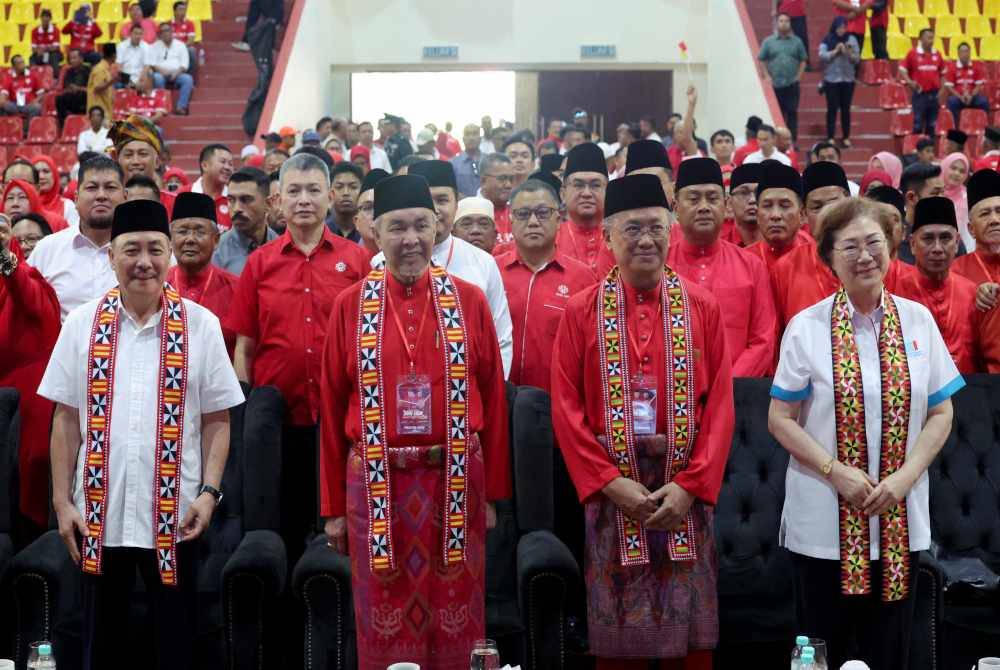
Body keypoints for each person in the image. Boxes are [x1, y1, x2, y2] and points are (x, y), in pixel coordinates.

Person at [39, 198, 243, 669]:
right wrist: (62, 502)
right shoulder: (81, 325)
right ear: (111, 256)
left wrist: (210, 493)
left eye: (155, 249)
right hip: (97, 514)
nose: (144, 262)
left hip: (177, 515)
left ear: (170, 254)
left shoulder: (201, 326)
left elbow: (217, 419)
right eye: (131, 250)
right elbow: (65, 418)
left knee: (175, 643)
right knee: (101, 642)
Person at [318, 174, 509, 670]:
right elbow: (333, 404)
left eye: (421, 226)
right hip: (375, 488)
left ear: (438, 229)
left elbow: (492, 394)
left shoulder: (469, 300)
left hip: (457, 482)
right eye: (397, 227)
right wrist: (333, 508)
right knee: (381, 608)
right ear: (375, 233)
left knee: (456, 612)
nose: (410, 239)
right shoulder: (350, 305)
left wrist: (494, 496)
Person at [768, 196, 962, 670]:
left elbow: (942, 412)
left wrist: (904, 477)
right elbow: (779, 419)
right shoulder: (805, 327)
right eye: (849, 246)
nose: (864, 256)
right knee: (816, 651)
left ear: (893, 247)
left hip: (901, 516)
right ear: (830, 258)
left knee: (890, 651)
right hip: (822, 522)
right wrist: (837, 473)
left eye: (874, 242)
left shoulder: (918, 321)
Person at [551, 172, 735, 668]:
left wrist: (690, 486)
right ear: (608, 237)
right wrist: (610, 483)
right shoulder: (579, 311)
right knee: (617, 644)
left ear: (671, 232)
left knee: (689, 642)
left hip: (685, 492)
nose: (646, 239)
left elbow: (719, 406)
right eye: (632, 229)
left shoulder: (703, 307)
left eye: (656, 227)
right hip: (613, 494)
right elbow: (566, 409)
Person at [226, 153, 371, 565]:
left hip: (339, 422)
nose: (303, 199)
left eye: (312, 191)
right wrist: (246, 409)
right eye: (293, 191)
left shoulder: (357, 261)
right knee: (281, 527)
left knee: (339, 532)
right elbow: (246, 347)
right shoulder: (260, 264)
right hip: (277, 424)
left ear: (329, 196)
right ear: (278, 200)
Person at [371, 160, 514, 377]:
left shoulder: (483, 262)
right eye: (428, 200)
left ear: (457, 204)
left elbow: (501, 339)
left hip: (463, 395)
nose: (435, 210)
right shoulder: (381, 262)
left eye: (442, 200)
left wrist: (493, 391)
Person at [667, 157, 777, 377]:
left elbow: (763, 340)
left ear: (725, 205)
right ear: (676, 208)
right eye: (694, 198)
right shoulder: (660, 266)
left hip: (737, 395)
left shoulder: (751, 266)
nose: (704, 207)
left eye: (712, 198)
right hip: (673, 396)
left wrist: (727, 385)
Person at [497, 177, 595, 389]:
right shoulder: (492, 272)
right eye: (523, 214)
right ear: (511, 219)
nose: (533, 222)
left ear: (558, 219)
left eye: (542, 213)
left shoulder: (583, 278)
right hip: (500, 400)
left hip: (557, 403)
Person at [0, 214, 61, 535]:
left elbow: (22, 287)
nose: (23, 244)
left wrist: (5, 256)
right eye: (17, 237)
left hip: (29, 406)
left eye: (30, 239)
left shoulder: (33, 281)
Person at [28, 156, 124, 319]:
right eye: (92, 187)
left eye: (110, 187)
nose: (101, 195)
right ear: (76, 197)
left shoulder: (144, 250)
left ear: (125, 196)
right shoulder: (47, 249)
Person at [894, 197, 981, 372]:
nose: (937, 248)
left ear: (957, 243)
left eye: (945, 238)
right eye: (927, 238)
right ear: (912, 244)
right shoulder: (895, 294)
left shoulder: (972, 292)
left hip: (970, 390)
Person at [771, 162, 852, 329]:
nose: (827, 214)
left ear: (851, 204)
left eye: (834, 204)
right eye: (817, 207)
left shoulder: (872, 260)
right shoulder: (785, 268)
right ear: (804, 214)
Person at [167, 192, 239, 356]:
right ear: (170, 239)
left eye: (200, 232)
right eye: (182, 231)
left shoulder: (238, 289)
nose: (190, 239)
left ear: (216, 240)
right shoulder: (156, 288)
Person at [556, 143, 617, 276]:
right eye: (578, 185)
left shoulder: (622, 237)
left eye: (595, 185)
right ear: (563, 193)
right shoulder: (551, 239)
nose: (587, 193)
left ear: (608, 191)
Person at [747, 160, 812, 272]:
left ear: (802, 214)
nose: (775, 215)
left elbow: (844, 289)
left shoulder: (822, 258)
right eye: (767, 206)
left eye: (785, 205)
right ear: (757, 215)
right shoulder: (743, 261)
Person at [214, 167, 276, 274]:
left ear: (268, 204)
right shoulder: (215, 253)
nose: (237, 208)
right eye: (231, 200)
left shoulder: (284, 249)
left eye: (246, 199)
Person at [759, 13, 807, 142]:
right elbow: (762, 59)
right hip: (774, 84)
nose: (784, 23)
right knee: (776, 115)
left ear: (790, 23)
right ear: (777, 23)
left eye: (787, 21)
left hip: (792, 84)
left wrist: (798, 76)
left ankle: (792, 142)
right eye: (781, 21)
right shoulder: (768, 42)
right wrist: (767, 76)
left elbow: (803, 60)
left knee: (792, 114)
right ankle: (776, 141)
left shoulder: (797, 41)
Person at [952, 169, 1000, 287]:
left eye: (999, 211)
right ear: (971, 229)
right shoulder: (954, 271)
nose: (994, 220)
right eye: (985, 214)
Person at [819, 17, 860, 148]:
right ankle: (830, 137)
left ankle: (846, 136)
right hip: (831, 79)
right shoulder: (828, 39)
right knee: (831, 108)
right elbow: (822, 55)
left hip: (847, 79)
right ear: (834, 27)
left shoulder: (851, 39)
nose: (841, 30)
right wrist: (835, 51)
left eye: (843, 27)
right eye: (839, 27)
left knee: (845, 109)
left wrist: (847, 52)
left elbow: (857, 59)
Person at [898, 162, 947, 265]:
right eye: (935, 193)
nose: (943, 199)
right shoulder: (895, 239)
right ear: (911, 198)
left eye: (943, 192)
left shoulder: (949, 236)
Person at [900, 28, 946, 136]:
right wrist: (910, 82)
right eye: (928, 37)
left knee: (932, 125)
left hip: (934, 94)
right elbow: (902, 69)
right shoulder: (912, 53)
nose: (931, 40)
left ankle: (930, 150)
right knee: (917, 124)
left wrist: (942, 90)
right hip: (920, 94)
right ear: (920, 39)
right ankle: (917, 149)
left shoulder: (937, 54)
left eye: (932, 37)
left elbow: (943, 73)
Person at [149, 23, 194, 115]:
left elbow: (184, 64)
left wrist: (176, 73)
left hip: (177, 74)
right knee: (157, 77)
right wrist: (161, 71)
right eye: (163, 31)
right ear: (160, 34)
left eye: (168, 30)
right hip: (160, 73)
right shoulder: (155, 46)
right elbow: (152, 63)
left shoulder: (180, 45)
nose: (166, 33)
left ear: (172, 32)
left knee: (188, 79)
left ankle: (181, 106)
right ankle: (163, 106)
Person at [186, 143, 233, 229]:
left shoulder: (234, 199)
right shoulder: (183, 195)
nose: (227, 167)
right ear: (205, 166)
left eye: (230, 164)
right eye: (222, 161)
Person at [945, 42, 989, 123]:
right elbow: (949, 87)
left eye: (967, 51)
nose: (965, 54)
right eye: (962, 51)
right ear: (958, 53)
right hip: (959, 97)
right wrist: (960, 97)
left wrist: (971, 96)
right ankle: (955, 129)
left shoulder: (976, 66)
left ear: (970, 53)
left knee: (984, 101)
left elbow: (978, 85)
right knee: (951, 101)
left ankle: (984, 129)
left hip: (972, 97)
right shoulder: (952, 67)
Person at [2, 179, 68, 233]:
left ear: (33, 201)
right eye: (10, 198)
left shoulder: (56, 223)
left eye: (22, 197)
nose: (15, 204)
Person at [351, 168, 388, 262]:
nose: (376, 215)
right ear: (356, 221)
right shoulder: (346, 260)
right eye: (368, 208)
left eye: (384, 206)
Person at [939, 152, 973, 251]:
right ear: (944, 167)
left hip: (958, 250)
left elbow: (968, 235)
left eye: (962, 171)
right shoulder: (931, 191)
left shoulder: (968, 198)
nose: (957, 173)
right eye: (953, 168)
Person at [478, 153, 515, 244]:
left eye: (511, 179)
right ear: (483, 181)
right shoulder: (468, 213)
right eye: (502, 178)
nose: (508, 185)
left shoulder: (517, 211)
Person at [33, 154, 78, 225]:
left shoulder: (67, 206)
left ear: (54, 175)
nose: (41, 176)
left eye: (46, 171)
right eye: (36, 172)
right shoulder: (25, 205)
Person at [724, 163, 762, 247]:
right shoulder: (721, 246)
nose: (752, 200)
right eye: (744, 193)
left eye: (758, 193)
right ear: (729, 203)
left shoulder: (780, 243)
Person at [1, 55, 45, 122]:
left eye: (23, 62)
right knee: (3, 105)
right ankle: (8, 128)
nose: (22, 65)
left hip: (29, 104)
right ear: (13, 67)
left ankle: (29, 128)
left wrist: (36, 100)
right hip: (14, 105)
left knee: (37, 107)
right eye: (19, 63)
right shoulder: (9, 77)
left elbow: (41, 93)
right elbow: (4, 93)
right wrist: (2, 100)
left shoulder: (33, 75)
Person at [327, 162, 364, 242]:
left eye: (353, 187)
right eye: (339, 187)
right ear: (329, 192)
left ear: (362, 191)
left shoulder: (369, 232)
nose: (346, 193)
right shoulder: (321, 231)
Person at [55, 49, 91, 124]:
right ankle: (64, 126)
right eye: (70, 58)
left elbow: (93, 89)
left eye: (74, 58)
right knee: (59, 99)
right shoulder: (69, 71)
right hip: (72, 97)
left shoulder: (89, 71)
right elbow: (66, 87)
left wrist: (79, 89)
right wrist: (70, 89)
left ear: (81, 59)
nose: (72, 61)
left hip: (85, 98)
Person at [86, 43, 118, 121]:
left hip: (105, 110)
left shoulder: (106, 68)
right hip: (97, 113)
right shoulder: (100, 69)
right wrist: (112, 81)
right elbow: (97, 88)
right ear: (114, 55)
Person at [170, 1, 200, 80]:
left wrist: (180, 48)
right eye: (180, 9)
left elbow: (191, 41)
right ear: (175, 11)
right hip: (170, 48)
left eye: (184, 10)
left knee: (192, 50)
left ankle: (191, 78)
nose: (183, 12)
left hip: (184, 48)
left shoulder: (190, 23)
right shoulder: (168, 23)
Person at [30, 9, 64, 74]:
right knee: (32, 58)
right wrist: (39, 50)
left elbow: (55, 47)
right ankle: (33, 77)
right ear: (41, 18)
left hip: (53, 54)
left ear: (50, 19)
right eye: (44, 17)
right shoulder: (34, 31)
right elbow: (33, 49)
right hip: (41, 54)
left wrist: (44, 49)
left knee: (53, 56)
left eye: (47, 17)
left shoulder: (55, 30)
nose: (45, 19)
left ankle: (55, 77)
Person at [779, 0, 810, 68]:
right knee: (783, 39)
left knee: (802, 39)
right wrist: (774, 10)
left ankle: (805, 62)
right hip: (784, 12)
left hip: (799, 13)